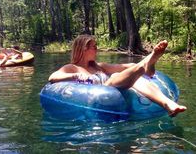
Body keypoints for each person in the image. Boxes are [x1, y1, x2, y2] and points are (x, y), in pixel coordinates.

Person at [49, 34, 187, 117]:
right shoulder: (72, 68)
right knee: (115, 76)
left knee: (132, 73)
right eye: (94, 46)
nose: (97, 49)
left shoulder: (99, 66)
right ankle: (146, 63)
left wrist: (137, 66)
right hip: (99, 101)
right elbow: (53, 77)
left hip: (116, 95)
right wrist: (75, 76)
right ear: (83, 49)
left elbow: (125, 67)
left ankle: (168, 104)